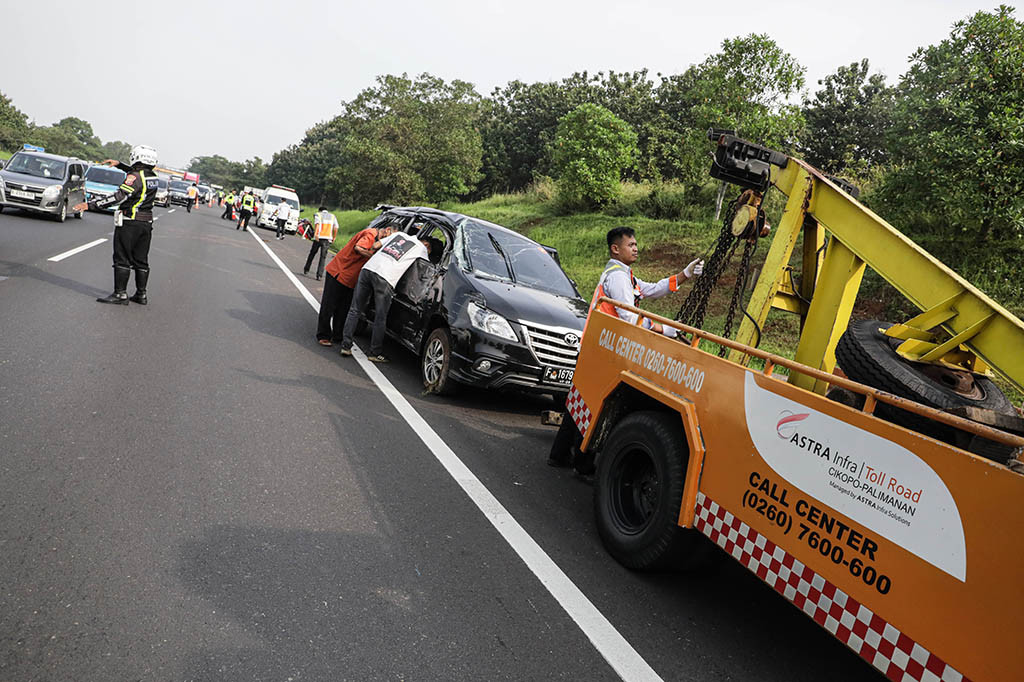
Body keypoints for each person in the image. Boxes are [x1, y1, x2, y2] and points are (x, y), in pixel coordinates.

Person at [547, 226, 704, 468]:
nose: (636, 248)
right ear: (615, 249)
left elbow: (653, 289)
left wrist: (685, 274)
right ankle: (581, 462)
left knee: (581, 402)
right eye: (631, 245)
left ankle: (561, 455)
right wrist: (664, 329)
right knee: (592, 404)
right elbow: (629, 318)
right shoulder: (618, 278)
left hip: (598, 347)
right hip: (600, 350)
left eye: (635, 244)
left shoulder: (625, 275)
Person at [72, 145, 160, 306]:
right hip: (146, 223)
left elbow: (119, 197)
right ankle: (141, 294)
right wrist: (119, 165)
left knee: (122, 257)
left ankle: (120, 294)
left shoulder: (134, 177)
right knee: (141, 259)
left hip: (130, 221)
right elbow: (138, 175)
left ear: (136, 158)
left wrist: (90, 205)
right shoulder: (153, 177)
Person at [338, 231, 431, 362]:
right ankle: (374, 352)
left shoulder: (399, 235)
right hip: (385, 277)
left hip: (368, 269)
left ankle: (345, 346)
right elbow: (424, 269)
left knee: (355, 309)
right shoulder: (422, 249)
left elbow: (375, 245)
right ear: (427, 245)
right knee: (380, 317)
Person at [315, 221, 394, 346]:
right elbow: (359, 247)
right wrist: (373, 257)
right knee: (329, 305)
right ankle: (323, 335)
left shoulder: (380, 241)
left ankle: (337, 335)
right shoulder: (371, 234)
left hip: (352, 278)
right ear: (387, 230)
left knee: (343, 309)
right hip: (339, 272)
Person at [303, 207, 338, 281]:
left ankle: (306, 269)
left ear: (320, 210)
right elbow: (336, 227)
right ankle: (319, 275)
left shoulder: (318, 215)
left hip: (318, 237)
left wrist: (315, 234)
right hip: (327, 239)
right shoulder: (332, 216)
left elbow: (317, 224)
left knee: (312, 253)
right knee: (323, 257)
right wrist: (334, 237)